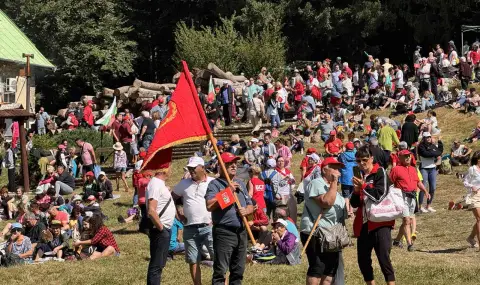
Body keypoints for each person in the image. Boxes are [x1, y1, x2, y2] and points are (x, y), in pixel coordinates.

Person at [205, 152, 253, 285]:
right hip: (224, 232)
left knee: (238, 271)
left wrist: (247, 210)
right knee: (221, 271)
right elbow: (209, 206)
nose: (233, 166)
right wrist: (228, 192)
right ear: (221, 166)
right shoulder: (215, 184)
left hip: (241, 232)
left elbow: (250, 204)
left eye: (235, 163)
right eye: (229, 163)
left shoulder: (240, 183)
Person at [351, 146, 396, 285]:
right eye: (358, 161)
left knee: (384, 258)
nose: (362, 163)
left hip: (380, 222)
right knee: (363, 260)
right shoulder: (359, 174)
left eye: (364, 160)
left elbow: (379, 195)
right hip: (363, 223)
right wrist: (357, 191)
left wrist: (364, 186)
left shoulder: (379, 171)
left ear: (371, 158)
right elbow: (354, 204)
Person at [299, 156, 347, 285]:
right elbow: (326, 202)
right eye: (335, 168)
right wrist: (334, 183)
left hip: (332, 233)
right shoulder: (317, 183)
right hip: (315, 232)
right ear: (325, 169)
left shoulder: (334, 188)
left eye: (339, 169)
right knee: (318, 268)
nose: (338, 172)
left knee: (330, 270)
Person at [172, 157, 215, 285]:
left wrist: (216, 220)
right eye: (189, 168)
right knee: (193, 260)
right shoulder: (184, 184)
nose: (191, 170)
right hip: (190, 227)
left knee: (218, 259)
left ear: (202, 168)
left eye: (193, 168)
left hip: (210, 227)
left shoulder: (213, 182)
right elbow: (171, 198)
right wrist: (178, 214)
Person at [390, 150, 430, 252]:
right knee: (406, 221)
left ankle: (396, 240)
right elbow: (390, 183)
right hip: (401, 197)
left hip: (412, 197)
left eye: (409, 156)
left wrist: (425, 191)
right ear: (400, 158)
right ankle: (409, 244)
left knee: (408, 221)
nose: (408, 158)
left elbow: (418, 183)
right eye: (405, 156)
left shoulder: (413, 169)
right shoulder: (396, 169)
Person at [146, 169, 176, 285]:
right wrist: (162, 229)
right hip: (160, 230)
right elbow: (151, 211)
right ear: (165, 170)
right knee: (156, 265)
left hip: (163, 229)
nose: (171, 171)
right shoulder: (155, 184)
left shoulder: (158, 184)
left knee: (160, 264)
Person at [417, 132, 443, 213]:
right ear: (423, 138)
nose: (428, 138)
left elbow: (439, 152)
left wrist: (439, 143)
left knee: (433, 188)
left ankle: (428, 206)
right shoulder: (420, 146)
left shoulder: (432, 145)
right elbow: (425, 154)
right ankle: (420, 206)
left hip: (432, 169)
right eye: (426, 137)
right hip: (424, 168)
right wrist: (433, 153)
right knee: (423, 187)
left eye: (429, 137)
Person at [464, 151, 480, 249]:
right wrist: (472, 186)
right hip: (474, 196)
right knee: (479, 219)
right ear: (478, 159)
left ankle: (470, 237)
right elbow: (465, 182)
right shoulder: (472, 169)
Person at [275, 156, 297, 223]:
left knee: (291, 210)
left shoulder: (287, 171)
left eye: (282, 161)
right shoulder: (275, 172)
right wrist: (284, 179)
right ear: (276, 162)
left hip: (288, 193)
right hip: (280, 195)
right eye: (279, 161)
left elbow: (293, 182)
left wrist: (291, 181)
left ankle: (291, 224)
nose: (280, 162)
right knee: (283, 211)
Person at [338, 142, 356, 216]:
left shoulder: (342, 155)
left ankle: (347, 211)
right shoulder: (356, 155)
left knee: (345, 194)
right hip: (354, 177)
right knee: (352, 194)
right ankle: (351, 211)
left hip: (345, 177)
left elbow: (339, 164)